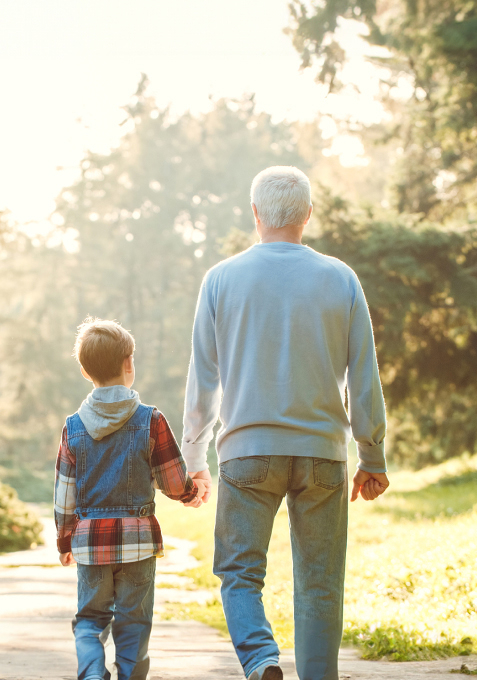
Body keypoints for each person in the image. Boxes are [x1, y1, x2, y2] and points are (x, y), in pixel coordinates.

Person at [181, 166, 389, 680]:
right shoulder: (340, 278)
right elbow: (364, 377)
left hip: (247, 453)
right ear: (308, 215)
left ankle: (260, 659)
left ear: (255, 214)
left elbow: (203, 381)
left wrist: (194, 459)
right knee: (320, 582)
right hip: (322, 454)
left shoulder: (221, 279)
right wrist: (372, 455)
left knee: (238, 572)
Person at [54, 317, 211, 680]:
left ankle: (92, 673)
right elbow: (172, 480)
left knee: (90, 620)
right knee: (134, 622)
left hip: (91, 543)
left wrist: (65, 541)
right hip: (138, 542)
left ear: (84, 371)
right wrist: (191, 493)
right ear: (129, 364)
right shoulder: (151, 420)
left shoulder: (73, 426)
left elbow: (65, 493)